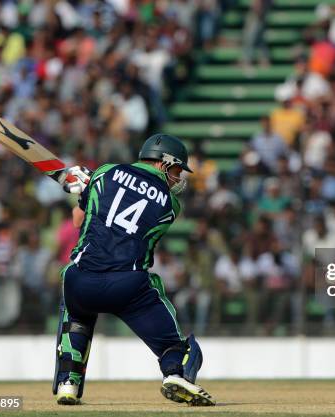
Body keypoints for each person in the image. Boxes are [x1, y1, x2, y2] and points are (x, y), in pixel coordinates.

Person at [53, 134, 215, 406]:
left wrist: (84, 189)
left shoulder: (104, 173)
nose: (178, 177)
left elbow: (79, 220)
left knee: (76, 310)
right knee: (174, 345)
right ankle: (176, 373)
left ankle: (68, 382)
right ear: (163, 163)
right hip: (127, 286)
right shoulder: (170, 205)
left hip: (81, 281)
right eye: (176, 170)